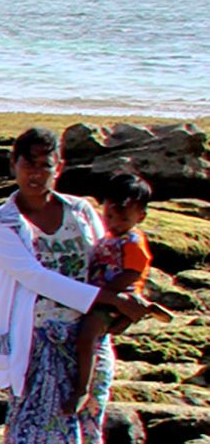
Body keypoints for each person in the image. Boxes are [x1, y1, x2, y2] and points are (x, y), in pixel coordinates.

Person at [0, 127, 151, 444]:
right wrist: (107, 299)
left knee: (83, 429)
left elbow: (106, 260)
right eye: (29, 164)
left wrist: (124, 299)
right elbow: (32, 276)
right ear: (14, 165)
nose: (37, 173)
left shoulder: (82, 211)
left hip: (87, 339)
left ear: (60, 167)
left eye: (46, 165)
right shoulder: (0, 221)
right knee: (32, 433)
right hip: (37, 341)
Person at [63, 177, 155, 420]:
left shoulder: (133, 241)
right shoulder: (109, 237)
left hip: (116, 297)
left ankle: (82, 388)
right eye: (110, 217)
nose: (114, 223)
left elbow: (134, 271)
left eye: (123, 219)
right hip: (102, 295)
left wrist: (107, 295)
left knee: (87, 338)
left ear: (140, 217)